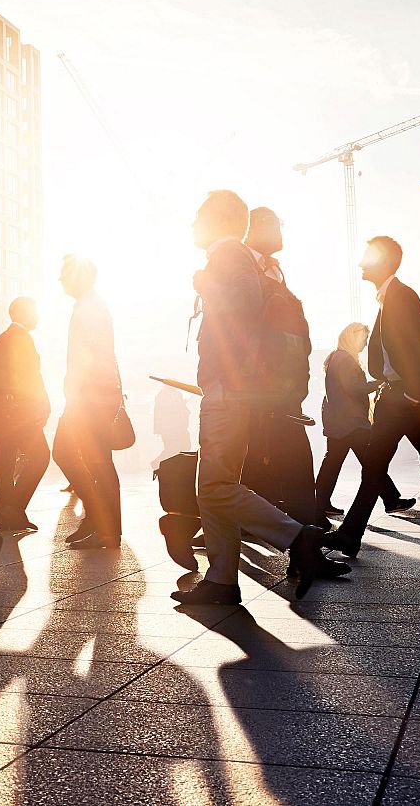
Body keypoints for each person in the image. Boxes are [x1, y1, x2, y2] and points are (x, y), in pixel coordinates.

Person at [172, 190, 345, 606]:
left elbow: (243, 303)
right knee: (215, 485)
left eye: (198, 214)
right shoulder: (237, 257)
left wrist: (206, 284)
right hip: (234, 389)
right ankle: (221, 579)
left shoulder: (228, 255)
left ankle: (296, 537)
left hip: (228, 390)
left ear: (218, 219)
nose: (192, 222)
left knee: (213, 486)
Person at [324, 236, 420, 560]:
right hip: (396, 399)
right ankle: (351, 536)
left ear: (383, 262)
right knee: (382, 467)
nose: (360, 263)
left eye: (367, 257)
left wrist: (413, 394)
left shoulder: (401, 297)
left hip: (406, 401)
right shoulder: (389, 298)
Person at [238, 207, 320, 526]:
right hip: (261, 386)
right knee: (273, 455)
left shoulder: (272, 269)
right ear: (257, 226)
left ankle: (298, 527)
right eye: (277, 224)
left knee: (268, 456)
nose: (281, 232)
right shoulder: (245, 266)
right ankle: (302, 531)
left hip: (281, 385)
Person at [52, 255, 124, 550]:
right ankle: (100, 521)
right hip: (92, 394)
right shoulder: (90, 306)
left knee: (85, 458)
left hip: (90, 396)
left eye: (64, 274)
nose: (60, 280)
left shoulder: (89, 309)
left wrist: (75, 394)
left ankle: (104, 525)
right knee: (90, 459)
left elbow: (90, 356)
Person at [315, 321, 415, 517]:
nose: (366, 343)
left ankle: (320, 503)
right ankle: (391, 500)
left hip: (339, 421)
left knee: (333, 462)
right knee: (372, 461)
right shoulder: (345, 359)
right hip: (351, 422)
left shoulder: (337, 357)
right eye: (364, 338)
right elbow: (353, 388)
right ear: (353, 337)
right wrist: (379, 382)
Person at [0, 296, 51, 535]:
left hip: (5, 413)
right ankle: (13, 510)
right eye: (34, 312)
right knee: (40, 457)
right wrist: (40, 404)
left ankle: (8, 516)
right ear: (21, 313)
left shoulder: (4, 338)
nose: (37, 317)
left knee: (4, 465)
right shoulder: (20, 339)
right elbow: (29, 378)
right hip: (20, 414)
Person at [151, 385, 192, 468]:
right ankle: (158, 463)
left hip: (180, 427)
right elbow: (159, 412)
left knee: (185, 446)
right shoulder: (162, 396)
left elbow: (181, 409)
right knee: (171, 449)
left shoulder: (177, 394)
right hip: (168, 429)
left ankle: (168, 465)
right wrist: (158, 428)